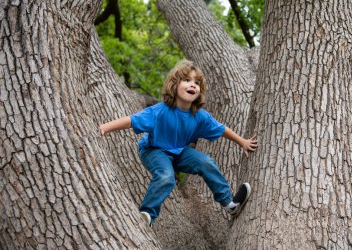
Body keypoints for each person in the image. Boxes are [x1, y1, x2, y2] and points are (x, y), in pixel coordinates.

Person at [99, 60, 258, 227]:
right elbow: (131, 120)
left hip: (180, 152)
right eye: (187, 80)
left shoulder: (200, 116)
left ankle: (229, 204)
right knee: (166, 177)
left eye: (197, 83)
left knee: (206, 162)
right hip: (154, 151)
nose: (193, 85)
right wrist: (104, 128)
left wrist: (243, 142)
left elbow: (221, 129)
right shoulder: (160, 111)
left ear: (200, 91)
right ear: (174, 85)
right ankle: (146, 214)